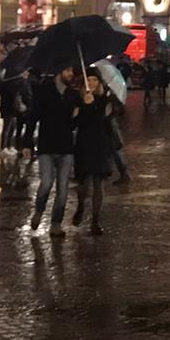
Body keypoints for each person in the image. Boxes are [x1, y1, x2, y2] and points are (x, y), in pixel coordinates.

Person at [30, 68, 86, 238]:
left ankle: (56, 223)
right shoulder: (44, 91)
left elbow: (74, 125)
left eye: (71, 71)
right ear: (58, 72)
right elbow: (33, 116)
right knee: (46, 183)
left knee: (62, 190)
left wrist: (84, 106)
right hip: (47, 146)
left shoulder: (73, 95)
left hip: (66, 148)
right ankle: (39, 211)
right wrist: (26, 143)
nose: (71, 74)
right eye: (68, 70)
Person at [70, 71, 112, 235]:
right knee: (83, 183)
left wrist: (93, 105)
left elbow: (104, 120)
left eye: (95, 79)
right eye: (89, 79)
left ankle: (95, 220)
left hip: (100, 144)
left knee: (98, 183)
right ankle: (80, 206)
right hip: (84, 144)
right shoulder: (78, 99)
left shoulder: (106, 99)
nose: (92, 82)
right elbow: (75, 123)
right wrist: (84, 106)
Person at [0, 67, 26, 152]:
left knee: (12, 127)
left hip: (12, 108)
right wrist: (21, 79)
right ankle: (4, 147)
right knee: (7, 127)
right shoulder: (5, 85)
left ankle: (9, 146)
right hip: (8, 108)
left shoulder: (9, 84)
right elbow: (13, 93)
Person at [105, 88, 131, 183]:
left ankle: (124, 173)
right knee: (111, 150)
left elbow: (120, 110)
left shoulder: (110, 96)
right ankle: (109, 170)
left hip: (110, 125)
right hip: (108, 124)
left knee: (116, 150)